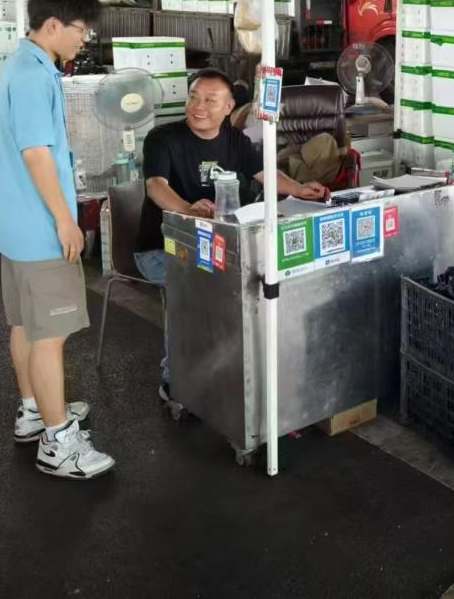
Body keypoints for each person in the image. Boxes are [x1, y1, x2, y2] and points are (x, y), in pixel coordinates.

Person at [0, 0, 115, 480]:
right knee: (51, 337)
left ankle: (35, 410)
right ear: (54, 25)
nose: (84, 39)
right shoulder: (34, 77)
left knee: (26, 326)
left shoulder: (20, 65)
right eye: (82, 30)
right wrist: (65, 219)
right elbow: (36, 154)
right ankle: (58, 442)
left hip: (14, 228)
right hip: (40, 230)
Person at [134, 68, 329, 401]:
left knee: (256, 282)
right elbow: (156, 186)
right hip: (162, 247)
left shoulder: (235, 141)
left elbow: (266, 173)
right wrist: (187, 208)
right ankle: (175, 380)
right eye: (194, 97)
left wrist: (299, 189)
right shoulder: (163, 138)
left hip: (218, 244)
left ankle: (243, 372)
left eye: (210, 100)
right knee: (202, 289)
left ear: (228, 108)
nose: (198, 106)